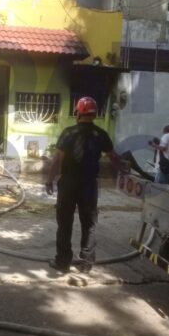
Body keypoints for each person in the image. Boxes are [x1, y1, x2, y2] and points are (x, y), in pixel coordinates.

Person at [45, 97, 124, 273]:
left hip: (68, 183)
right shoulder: (101, 134)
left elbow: (57, 160)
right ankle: (86, 263)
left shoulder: (68, 133)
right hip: (89, 185)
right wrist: (124, 171)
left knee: (65, 223)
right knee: (89, 224)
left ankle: (63, 262)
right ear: (94, 115)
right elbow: (114, 157)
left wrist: (49, 180)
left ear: (78, 113)